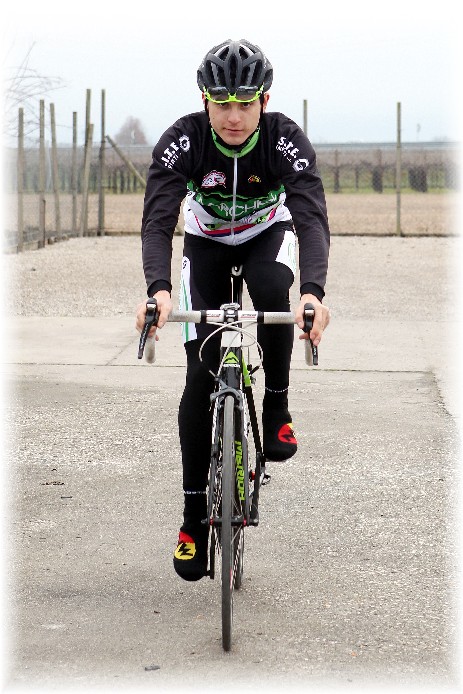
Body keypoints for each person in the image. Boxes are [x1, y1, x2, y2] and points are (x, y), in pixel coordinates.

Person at [136, 39, 330, 581]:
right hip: (206, 244)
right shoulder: (184, 139)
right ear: (205, 100)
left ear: (264, 100)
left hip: (268, 235)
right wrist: (158, 290)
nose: (234, 116)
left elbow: (311, 218)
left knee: (271, 288)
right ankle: (193, 521)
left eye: (245, 102)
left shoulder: (284, 139)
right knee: (199, 376)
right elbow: (158, 221)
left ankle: (277, 407)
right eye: (221, 103)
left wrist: (313, 293)